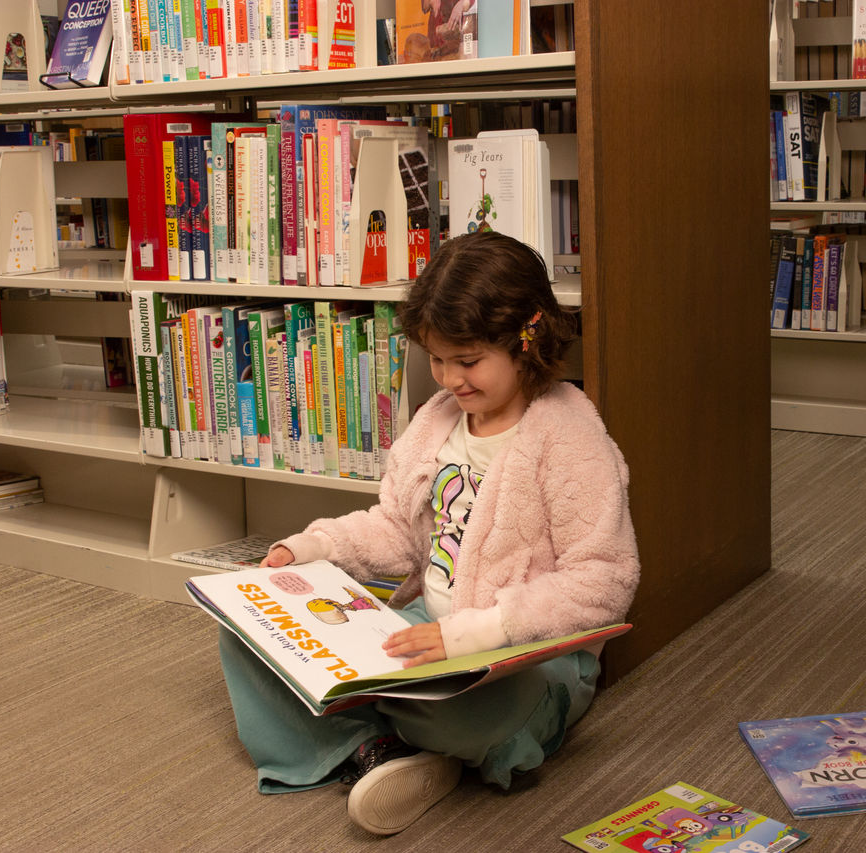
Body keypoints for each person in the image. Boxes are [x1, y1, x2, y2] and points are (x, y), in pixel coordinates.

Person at [218, 230, 640, 835]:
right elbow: (394, 525)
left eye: (467, 361)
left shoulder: (569, 436)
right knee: (249, 634)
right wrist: (313, 549)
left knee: (455, 710)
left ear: (528, 338)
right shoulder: (437, 420)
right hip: (423, 633)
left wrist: (477, 634)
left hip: (520, 663)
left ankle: (366, 736)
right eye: (437, 359)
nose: (449, 379)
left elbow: (604, 580)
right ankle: (380, 752)